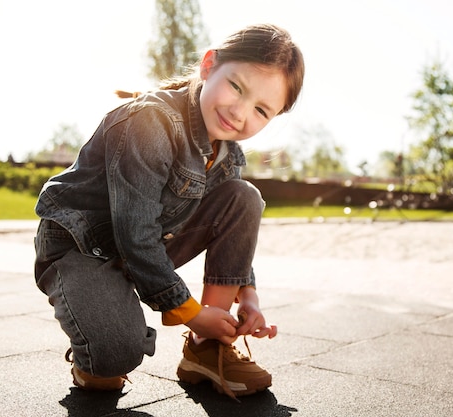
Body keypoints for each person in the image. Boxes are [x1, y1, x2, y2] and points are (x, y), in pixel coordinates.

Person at [34, 24, 305, 400]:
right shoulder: (151, 121)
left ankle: (206, 348)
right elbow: (135, 234)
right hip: (82, 246)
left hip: (144, 247)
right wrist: (191, 311)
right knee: (114, 359)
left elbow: (232, 225)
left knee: (242, 196)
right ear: (209, 65)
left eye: (261, 110)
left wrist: (250, 298)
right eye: (237, 87)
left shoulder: (226, 153)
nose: (239, 112)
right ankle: (97, 350)